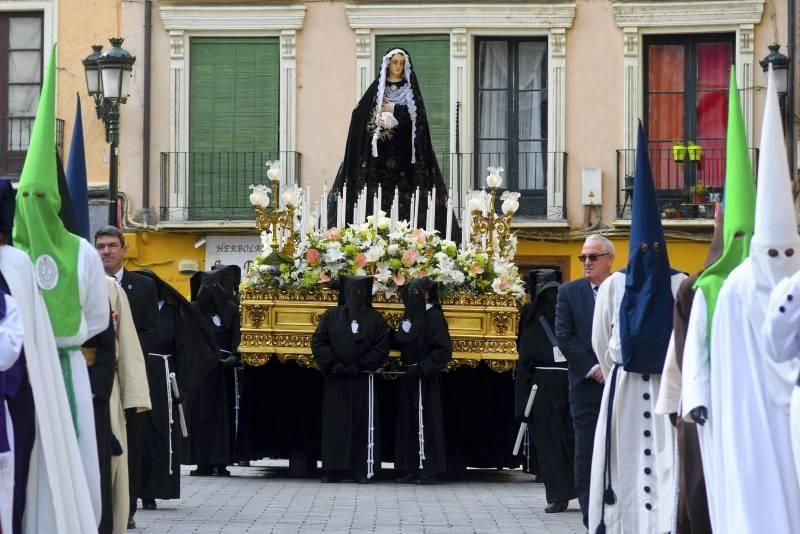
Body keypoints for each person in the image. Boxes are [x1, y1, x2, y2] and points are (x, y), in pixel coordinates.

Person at [683, 68, 800, 533]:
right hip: (742, 414)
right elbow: (700, 349)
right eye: (771, 251)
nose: (779, 259)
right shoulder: (725, 290)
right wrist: (699, 397)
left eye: (786, 252)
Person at [14, 51, 109, 530]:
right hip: (19, 374)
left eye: (38, 197)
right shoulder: (11, 254)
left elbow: (94, 315)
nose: (31, 206)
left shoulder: (81, 253)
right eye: (23, 198)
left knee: (69, 461)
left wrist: (59, 340)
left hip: (66, 369)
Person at [588, 123, 686, 534]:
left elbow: (600, 342)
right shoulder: (616, 284)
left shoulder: (679, 284)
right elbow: (600, 339)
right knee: (626, 462)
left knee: (666, 461)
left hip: (660, 390)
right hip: (627, 388)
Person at [327, 47, 456, 237]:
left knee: (405, 203)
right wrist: (377, 119)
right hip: (378, 159)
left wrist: (395, 111)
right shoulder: (376, 91)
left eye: (401, 63)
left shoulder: (410, 92)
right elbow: (360, 115)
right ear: (388, 64)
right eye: (395, 62)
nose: (398, 66)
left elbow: (418, 122)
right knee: (375, 200)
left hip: (404, 159)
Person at [136, 269, 218, 509]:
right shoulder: (133, 308)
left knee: (159, 433)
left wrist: (181, 383)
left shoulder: (172, 312)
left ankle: (153, 490)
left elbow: (184, 349)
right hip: (138, 372)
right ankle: (134, 488)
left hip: (162, 376)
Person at [94, 225, 158, 529]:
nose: (106, 251)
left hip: (126, 372)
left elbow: (147, 332)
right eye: (100, 246)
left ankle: (126, 508)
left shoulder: (142, 286)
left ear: (124, 249)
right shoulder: (93, 284)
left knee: (125, 449)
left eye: (111, 246)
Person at [555, 235, 612, 527]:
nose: (587, 262)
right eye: (583, 257)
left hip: (619, 384)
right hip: (586, 387)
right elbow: (564, 337)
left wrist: (612, 368)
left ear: (609, 259)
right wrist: (594, 369)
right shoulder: (569, 292)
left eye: (593, 257)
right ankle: (591, 516)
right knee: (586, 450)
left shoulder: (622, 290)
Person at [311, 275, 389, 483]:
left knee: (362, 425)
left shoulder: (375, 318)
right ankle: (333, 468)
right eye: (350, 292)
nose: (355, 296)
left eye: (359, 292)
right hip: (336, 378)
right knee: (334, 425)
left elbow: (382, 346)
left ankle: (361, 468)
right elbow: (318, 342)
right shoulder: (331, 316)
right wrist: (334, 364)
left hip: (362, 379)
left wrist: (361, 365)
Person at [517, 269, 575, 513]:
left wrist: (521, 403)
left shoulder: (531, 316)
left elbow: (525, 359)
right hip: (572, 382)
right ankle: (583, 489)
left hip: (541, 387)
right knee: (575, 440)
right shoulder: (573, 311)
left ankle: (557, 495)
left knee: (549, 443)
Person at [393, 278, 451, 485]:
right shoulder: (410, 316)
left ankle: (428, 468)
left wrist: (423, 366)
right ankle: (409, 466)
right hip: (409, 375)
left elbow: (443, 349)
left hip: (425, 377)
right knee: (408, 421)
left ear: (427, 295)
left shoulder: (434, 316)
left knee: (427, 420)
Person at [187, 267, 240, 476]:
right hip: (201, 372)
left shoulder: (232, 310)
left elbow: (236, 336)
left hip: (222, 371)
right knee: (201, 416)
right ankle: (202, 462)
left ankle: (221, 461)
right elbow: (188, 337)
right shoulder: (193, 309)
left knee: (223, 417)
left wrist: (235, 355)